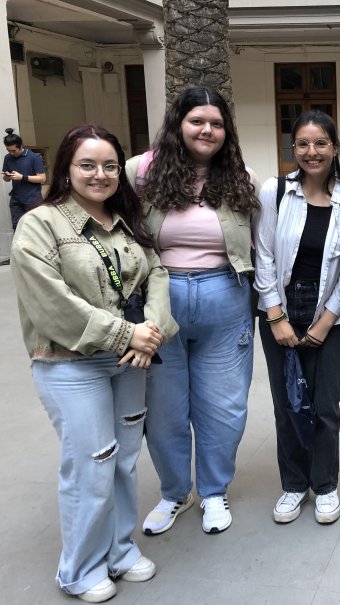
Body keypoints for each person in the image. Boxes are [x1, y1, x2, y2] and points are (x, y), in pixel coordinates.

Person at [10, 124, 177, 602]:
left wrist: (151, 330)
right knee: (92, 463)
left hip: (131, 360)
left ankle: (120, 550)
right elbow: (51, 303)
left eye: (109, 165)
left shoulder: (127, 219)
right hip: (71, 363)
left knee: (123, 460)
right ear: (66, 168)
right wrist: (127, 333)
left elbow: (157, 273)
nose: (99, 174)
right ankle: (79, 568)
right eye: (87, 165)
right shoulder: (40, 225)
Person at [126, 86, 260, 536]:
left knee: (224, 407)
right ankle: (174, 493)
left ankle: (214, 491)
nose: (207, 130)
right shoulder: (140, 172)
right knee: (164, 409)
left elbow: (258, 245)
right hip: (159, 306)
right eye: (197, 121)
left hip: (226, 301)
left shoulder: (242, 178)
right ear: (177, 124)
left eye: (217, 123)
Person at [253, 110, 340, 525]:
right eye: (302, 143)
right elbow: (263, 254)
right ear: (293, 147)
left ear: (335, 147)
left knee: (325, 406)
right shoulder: (275, 191)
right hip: (279, 314)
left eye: (320, 143)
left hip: (328, 318)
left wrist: (327, 320)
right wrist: (275, 316)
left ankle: (325, 484)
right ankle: (294, 484)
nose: (311, 152)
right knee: (287, 406)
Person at [3, 127, 46, 229]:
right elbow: (5, 179)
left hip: (33, 200)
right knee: (17, 227)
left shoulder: (34, 157)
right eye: (8, 150)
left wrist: (22, 177)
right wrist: (7, 177)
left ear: (21, 146)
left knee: (35, 228)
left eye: (13, 151)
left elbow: (42, 179)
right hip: (16, 200)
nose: (11, 153)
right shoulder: (7, 158)